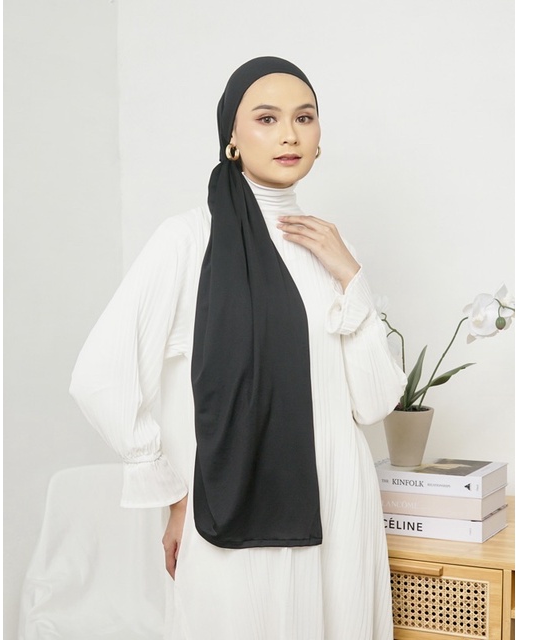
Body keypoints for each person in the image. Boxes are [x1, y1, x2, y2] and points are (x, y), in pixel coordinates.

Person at [70, 56, 407, 640]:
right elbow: (102, 374)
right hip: (233, 509)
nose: (289, 134)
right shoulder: (188, 239)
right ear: (232, 136)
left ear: (319, 136)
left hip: (340, 503)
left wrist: (352, 277)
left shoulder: (331, 248)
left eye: (304, 117)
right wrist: (174, 496)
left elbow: (375, 402)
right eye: (267, 118)